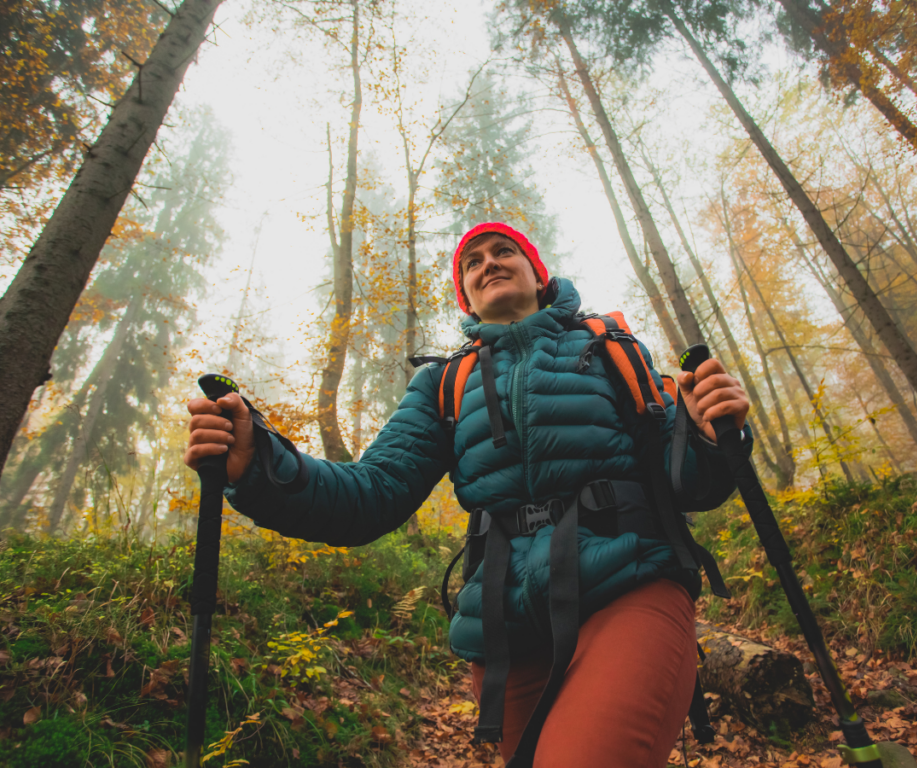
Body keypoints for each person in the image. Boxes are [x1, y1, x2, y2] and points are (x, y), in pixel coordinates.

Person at [185, 222, 751, 768]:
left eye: (503, 252)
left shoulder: (612, 348)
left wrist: (711, 433)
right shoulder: (442, 382)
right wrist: (258, 462)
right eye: (472, 264)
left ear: (538, 272)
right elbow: (371, 494)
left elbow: (689, 483)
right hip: (504, 626)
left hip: (628, 587)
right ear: (467, 297)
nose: (488, 265)